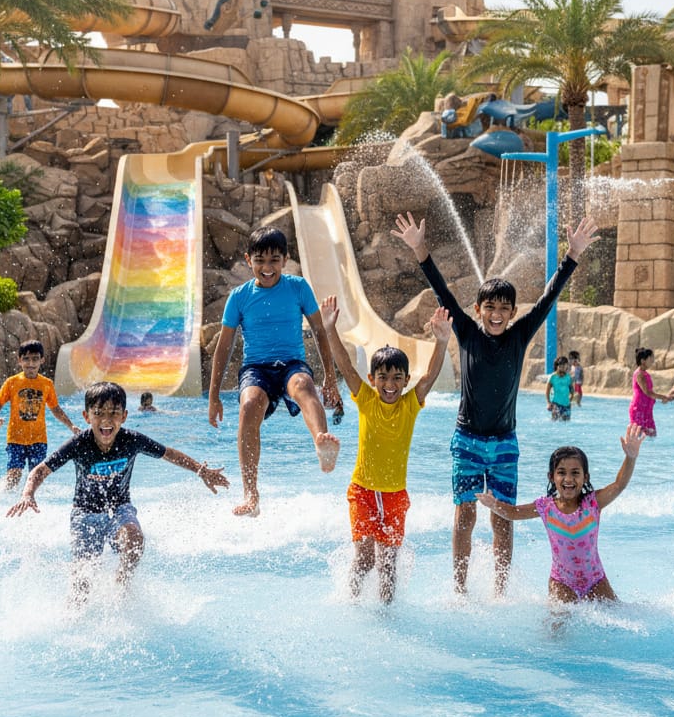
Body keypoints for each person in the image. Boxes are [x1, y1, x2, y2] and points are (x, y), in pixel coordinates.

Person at [393, 211, 600, 595]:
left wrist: (572, 255)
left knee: (502, 518)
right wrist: (420, 249)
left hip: (505, 443)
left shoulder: (519, 336)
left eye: (504, 308)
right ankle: (459, 588)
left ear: (512, 313)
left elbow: (547, 298)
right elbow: (442, 291)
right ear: (478, 310)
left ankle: (499, 591)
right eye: (490, 308)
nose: (497, 314)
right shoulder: (467, 332)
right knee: (465, 513)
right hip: (467, 440)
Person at [6, 381, 228, 605]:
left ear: (124, 416)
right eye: (98, 413)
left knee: (135, 540)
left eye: (114, 413)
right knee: (82, 583)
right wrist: (27, 493)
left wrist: (200, 470)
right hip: (84, 514)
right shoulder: (79, 443)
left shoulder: (131, 440)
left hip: (119, 510)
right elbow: (40, 470)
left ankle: (121, 589)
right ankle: (72, 618)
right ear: (86, 416)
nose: (106, 420)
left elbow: (168, 454)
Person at [320, 294, 451, 604]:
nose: (390, 384)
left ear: (406, 380)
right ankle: (350, 604)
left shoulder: (411, 404)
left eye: (396, 378)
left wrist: (442, 342)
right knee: (365, 559)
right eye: (383, 378)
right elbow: (345, 366)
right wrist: (329, 329)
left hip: (395, 496)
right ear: (372, 379)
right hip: (363, 491)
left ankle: (385, 614)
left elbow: (430, 375)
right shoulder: (365, 399)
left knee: (387, 564)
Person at [208, 225, 341, 517]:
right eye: (260, 260)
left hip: (292, 363)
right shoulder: (239, 297)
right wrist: (214, 395)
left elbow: (319, 330)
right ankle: (251, 494)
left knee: (304, 386)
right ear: (248, 259)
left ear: (285, 259)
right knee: (249, 404)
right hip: (256, 368)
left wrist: (330, 378)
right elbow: (224, 346)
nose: (267, 267)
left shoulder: (298, 287)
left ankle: (322, 442)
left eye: (274, 260)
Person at [476, 424, 645, 604]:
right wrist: (493, 504)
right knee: (556, 627)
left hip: (596, 580)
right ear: (552, 477)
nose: (569, 479)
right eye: (562, 473)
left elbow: (619, 485)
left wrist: (630, 457)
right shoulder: (546, 507)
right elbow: (513, 513)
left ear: (585, 477)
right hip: (562, 582)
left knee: (617, 618)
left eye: (575, 473)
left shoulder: (593, 503)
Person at [0, 340, 79, 490]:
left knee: (36, 477)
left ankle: (30, 503)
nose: (30, 363)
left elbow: (56, 409)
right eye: (26, 359)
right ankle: (3, 498)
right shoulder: (12, 382)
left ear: (42, 360)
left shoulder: (46, 384)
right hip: (15, 439)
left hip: (38, 439)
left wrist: (71, 426)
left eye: (35, 359)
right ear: (19, 360)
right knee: (14, 476)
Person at [629, 347, 667, 437]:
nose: (653, 361)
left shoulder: (645, 374)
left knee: (652, 434)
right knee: (638, 436)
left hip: (647, 410)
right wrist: (663, 397)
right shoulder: (639, 374)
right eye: (651, 359)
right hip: (638, 410)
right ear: (643, 361)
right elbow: (647, 392)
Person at [546, 355, 573, 421]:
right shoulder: (552, 377)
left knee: (566, 424)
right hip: (556, 404)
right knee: (554, 423)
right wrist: (549, 403)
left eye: (565, 365)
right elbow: (547, 391)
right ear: (557, 366)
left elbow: (572, 390)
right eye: (562, 365)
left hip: (566, 405)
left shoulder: (568, 377)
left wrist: (570, 400)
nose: (564, 367)